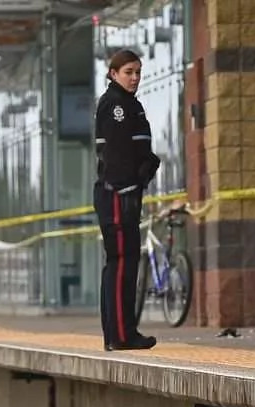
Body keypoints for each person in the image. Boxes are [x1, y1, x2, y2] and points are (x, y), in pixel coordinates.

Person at [94, 48, 161, 351]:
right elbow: (116, 155)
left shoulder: (128, 104)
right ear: (113, 74)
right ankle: (121, 335)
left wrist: (147, 166)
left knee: (121, 264)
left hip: (123, 193)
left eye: (137, 72)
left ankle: (118, 333)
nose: (134, 78)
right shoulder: (116, 106)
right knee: (122, 264)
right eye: (128, 72)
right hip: (119, 195)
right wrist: (128, 188)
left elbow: (136, 152)